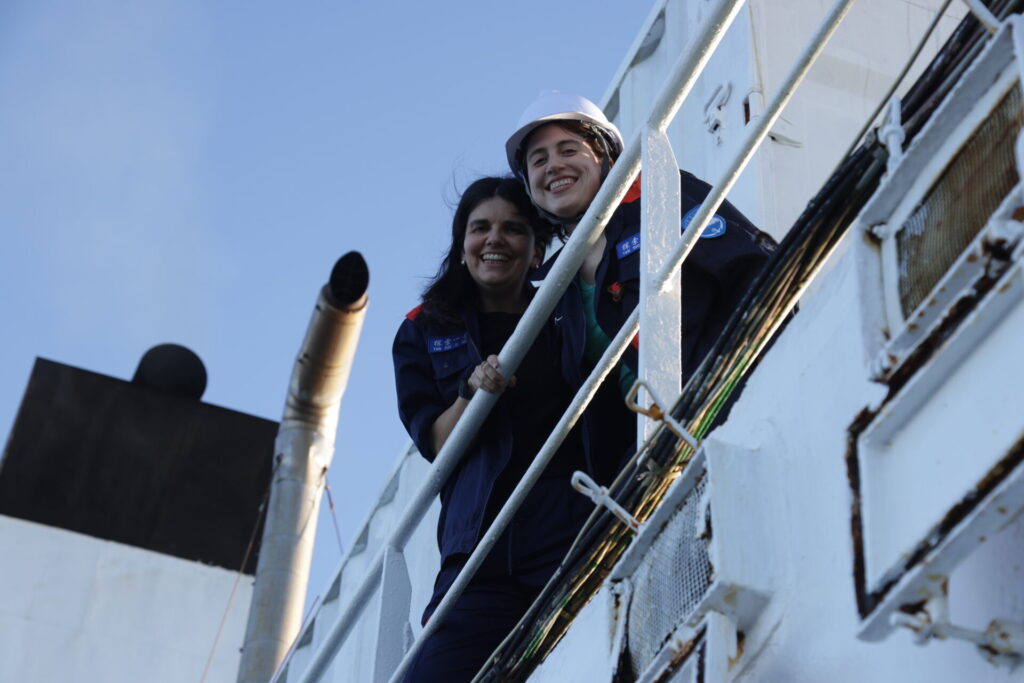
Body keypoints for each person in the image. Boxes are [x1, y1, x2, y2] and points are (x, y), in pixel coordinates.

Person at [392, 176, 621, 681]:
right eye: (481, 228)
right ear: (462, 245)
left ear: (537, 250)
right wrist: (472, 394)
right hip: (479, 541)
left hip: (573, 517)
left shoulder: (566, 304)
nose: (495, 239)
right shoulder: (423, 329)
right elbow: (435, 442)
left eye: (514, 229)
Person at [506, 91, 777, 385]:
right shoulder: (552, 288)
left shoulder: (662, 194)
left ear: (605, 156)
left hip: (728, 396)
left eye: (569, 150)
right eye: (538, 160)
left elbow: (755, 269)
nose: (553, 166)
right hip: (657, 426)